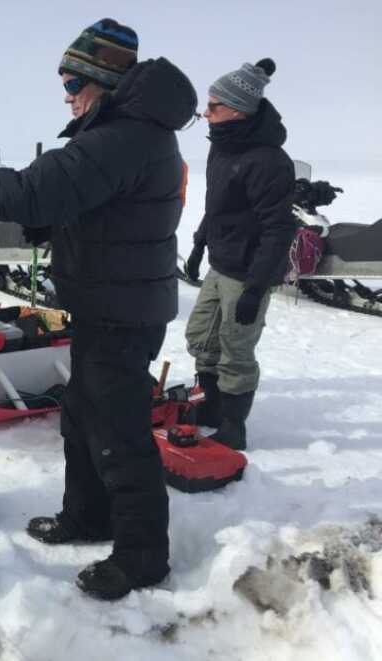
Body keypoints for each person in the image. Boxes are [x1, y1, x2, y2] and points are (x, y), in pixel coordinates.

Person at [0, 20, 198, 599]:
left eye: (74, 81)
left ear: (104, 80)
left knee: (120, 434)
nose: (67, 94)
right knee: (82, 415)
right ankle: (87, 518)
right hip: (111, 302)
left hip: (122, 310)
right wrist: (59, 221)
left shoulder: (125, 134)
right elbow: (87, 203)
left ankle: (143, 559)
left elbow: (33, 188)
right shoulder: (127, 132)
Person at [182, 59, 296, 450]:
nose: (205, 112)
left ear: (237, 110)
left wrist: (255, 288)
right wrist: (198, 245)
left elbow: (279, 229)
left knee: (236, 348)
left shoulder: (268, 161)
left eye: (213, 106)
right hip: (220, 263)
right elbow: (217, 206)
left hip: (248, 272)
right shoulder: (223, 148)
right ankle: (210, 408)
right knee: (200, 337)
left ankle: (233, 425)